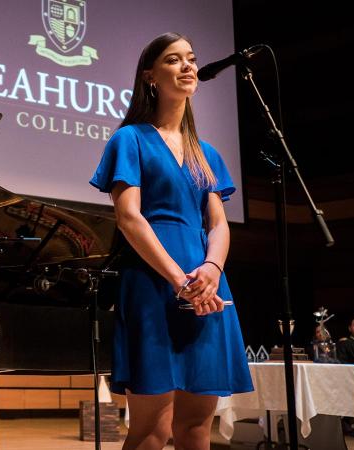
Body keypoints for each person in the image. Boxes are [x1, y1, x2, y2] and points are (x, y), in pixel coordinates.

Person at [90, 32, 253, 449]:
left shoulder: (207, 153)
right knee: (151, 429)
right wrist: (180, 280)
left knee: (197, 427)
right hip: (152, 284)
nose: (187, 66)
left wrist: (212, 269)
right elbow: (129, 218)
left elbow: (218, 224)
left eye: (191, 59)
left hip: (207, 288)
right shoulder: (130, 139)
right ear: (150, 76)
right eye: (173, 59)